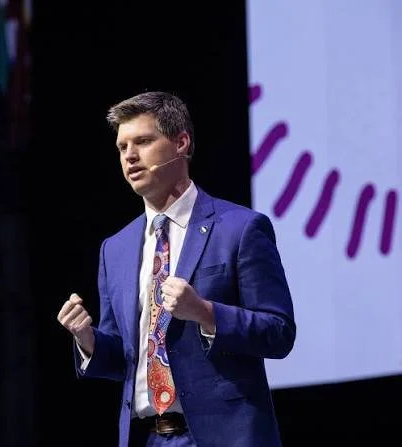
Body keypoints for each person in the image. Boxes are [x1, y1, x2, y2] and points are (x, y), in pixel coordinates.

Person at [57, 91, 296, 447]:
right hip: (147, 437)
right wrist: (87, 340)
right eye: (122, 147)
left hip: (224, 437)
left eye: (143, 142)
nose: (130, 156)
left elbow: (279, 332)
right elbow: (124, 359)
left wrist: (205, 312)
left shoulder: (241, 229)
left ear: (181, 143)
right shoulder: (115, 249)